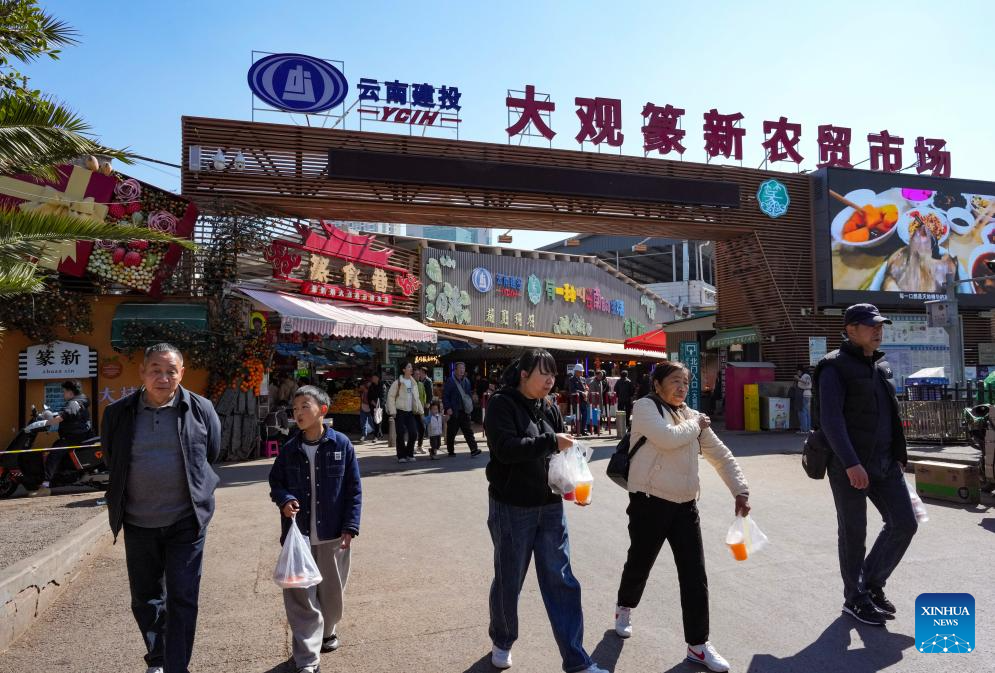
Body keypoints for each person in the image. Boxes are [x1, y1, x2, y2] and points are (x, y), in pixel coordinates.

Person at [615, 361, 749, 673]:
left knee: (694, 575)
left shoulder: (691, 417)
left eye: (685, 383)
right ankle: (624, 607)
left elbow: (720, 454)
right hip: (649, 501)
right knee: (640, 562)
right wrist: (698, 423)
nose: (681, 387)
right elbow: (667, 438)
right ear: (657, 384)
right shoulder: (645, 407)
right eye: (675, 381)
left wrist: (740, 489)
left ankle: (698, 645)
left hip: (685, 505)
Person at [483, 349, 608, 673]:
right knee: (510, 580)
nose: (551, 380)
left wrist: (572, 487)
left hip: (550, 508)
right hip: (512, 508)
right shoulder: (501, 404)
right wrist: (552, 441)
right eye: (544, 373)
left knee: (562, 580)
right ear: (524, 374)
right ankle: (503, 639)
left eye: (553, 374)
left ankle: (576, 659)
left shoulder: (550, 407)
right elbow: (506, 450)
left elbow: (558, 459)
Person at [101, 343, 221, 673]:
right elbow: (114, 459)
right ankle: (157, 657)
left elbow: (212, 452)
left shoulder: (201, 409)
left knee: (183, 596)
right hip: (138, 522)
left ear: (182, 373)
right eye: (156, 369)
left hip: (187, 519)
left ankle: (176, 666)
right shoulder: (118, 414)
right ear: (142, 373)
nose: (163, 377)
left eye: (171, 371)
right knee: (146, 597)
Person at [815, 303, 917, 627]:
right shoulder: (833, 367)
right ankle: (854, 599)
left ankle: (871, 585)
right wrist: (851, 463)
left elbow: (891, 413)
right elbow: (831, 421)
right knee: (854, 533)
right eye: (870, 325)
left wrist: (900, 455)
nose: (878, 330)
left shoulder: (882, 364)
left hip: (886, 463)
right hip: (850, 466)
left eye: (880, 325)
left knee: (904, 523)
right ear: (850, 330)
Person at [269, 385, 362, 673]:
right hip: (299, 538)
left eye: (304, 407)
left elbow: (353, 489)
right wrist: (284, 500)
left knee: (332, 596)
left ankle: (328, 630)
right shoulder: (288, 450)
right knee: (301, 598)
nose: (297, 413)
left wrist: (350, 525)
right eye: (294, 409)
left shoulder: (341, 444)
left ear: (322, 410)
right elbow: (276, 483)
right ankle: (307, 659)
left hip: (334, 534)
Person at [34, 380, 93, 494]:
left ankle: (45, 485)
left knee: (54, 453)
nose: (63, 394)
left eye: (64, 392)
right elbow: (65, 413)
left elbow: (65, 414)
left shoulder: (74, 403)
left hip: (74, 437)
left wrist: (46, 423)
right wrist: (48, 415)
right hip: (79, 435)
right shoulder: (80, 401)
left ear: (70, 392)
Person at [386, 362, 424, 463]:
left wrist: (421, 411)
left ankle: (409, 453)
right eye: (408, 367)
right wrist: (393, 411)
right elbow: (390, 396)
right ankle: (401, 456)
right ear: (403, 370)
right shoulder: (397, 382)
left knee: (413, 433)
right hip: (400, 411)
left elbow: (417, 398)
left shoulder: (413, 383)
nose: (411, 368)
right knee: (400, 433)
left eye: (411, 367)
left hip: (410, 412)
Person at [444, 362, 481, 457]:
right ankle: (451, 450)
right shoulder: (450, 381)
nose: (462, 370)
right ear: (455, 370)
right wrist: (448, 408)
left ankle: (474, 449)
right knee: (451, 432)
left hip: (464, 411)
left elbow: (468, 395)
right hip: (454, 411)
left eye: (463, 368)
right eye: (460, 368)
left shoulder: (467, 381)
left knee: (468, 431)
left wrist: (471, 404)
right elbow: (445, 396)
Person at [566, 365, 590, 436]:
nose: (581, 373)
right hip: (576, 401)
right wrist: (582, 393)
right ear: (576, 371)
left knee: (585, 415)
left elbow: (586, 387)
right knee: (578, 415)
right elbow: (572, 390)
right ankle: (578, 430)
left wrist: (586, 392)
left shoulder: (583, 379)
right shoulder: (571, 379)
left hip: (584, 400)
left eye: (582, 372)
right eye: (580, 372)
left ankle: (583, 430)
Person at [365, 373, 386, 441]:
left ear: (377, 378)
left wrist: (377, 404)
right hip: (372, 406)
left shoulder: (382, 385)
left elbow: (382, 396)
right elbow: (369, 396)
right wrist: (372, 402)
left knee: (378, 420)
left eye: (374, 378)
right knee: (375, 420)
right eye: (372, 378)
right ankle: (379, 433)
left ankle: (376, 435)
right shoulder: (371, 386)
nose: (372, 379)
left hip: (379, 406)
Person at [414, 367, 430, 454]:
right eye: (416, 374)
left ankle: (419, 446)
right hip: (412, 411)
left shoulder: (421, 385)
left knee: (422, 428)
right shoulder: (410, 384)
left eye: (419, 374)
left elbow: (424, 396)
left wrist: (423, 408)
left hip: (420, 411)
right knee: (413, 430)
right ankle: (412, 446)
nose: (418, 376)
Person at [795, 365, 813, 434]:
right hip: (808, 394)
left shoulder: (805, 376)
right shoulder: (808, 375)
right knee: (807, 413)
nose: (797, 373)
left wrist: (798, 379)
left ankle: (804, 429)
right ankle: (808, 429)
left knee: (803, 412)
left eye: (798, 372)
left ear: (800, 371)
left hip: (804, 394)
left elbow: (805, 383)